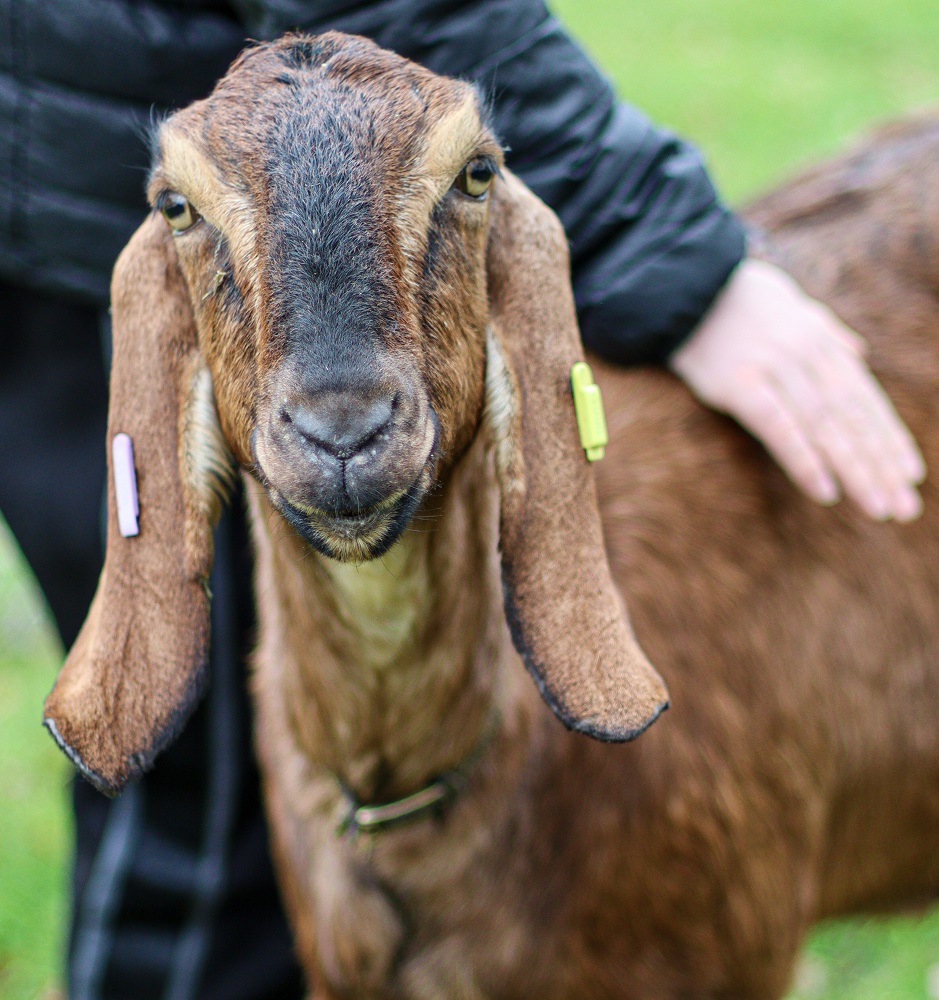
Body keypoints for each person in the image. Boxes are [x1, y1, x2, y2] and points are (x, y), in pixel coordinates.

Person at [0, 1, 924, 997]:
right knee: (196, 816)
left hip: (48, 174)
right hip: (104, 211)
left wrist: (672, 254)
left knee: (192, 831)